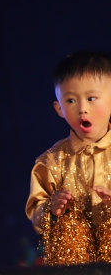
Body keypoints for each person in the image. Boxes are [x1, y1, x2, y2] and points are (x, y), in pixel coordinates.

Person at [26, 51, 111, 263]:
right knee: (68, 227)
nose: (82, 109)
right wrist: (52, 210)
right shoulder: (51, 161)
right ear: (59, 108)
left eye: (91, 99)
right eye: (71, 100)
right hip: (75, 263)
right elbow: (36, 210)